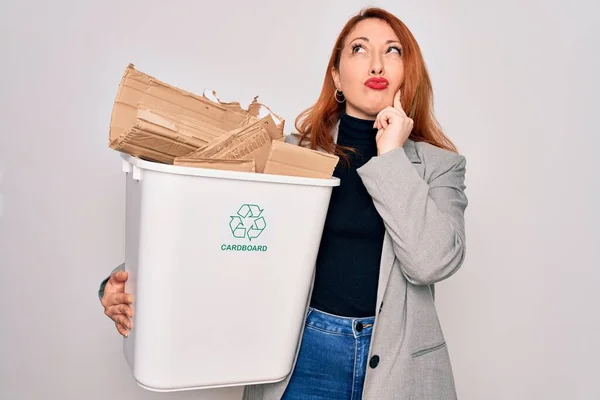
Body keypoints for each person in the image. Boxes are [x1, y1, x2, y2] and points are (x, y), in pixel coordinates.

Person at [99, 6, 468, 400]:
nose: (376, 63)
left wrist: (391, 156)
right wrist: (122, 282)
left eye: (393, 51)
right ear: (337, 76)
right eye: (359, 49)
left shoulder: (439, 167)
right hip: (299, 356)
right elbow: (208, 225)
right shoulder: (285, 156)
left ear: (407, 72)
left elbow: (430, 262)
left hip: (400, 372)